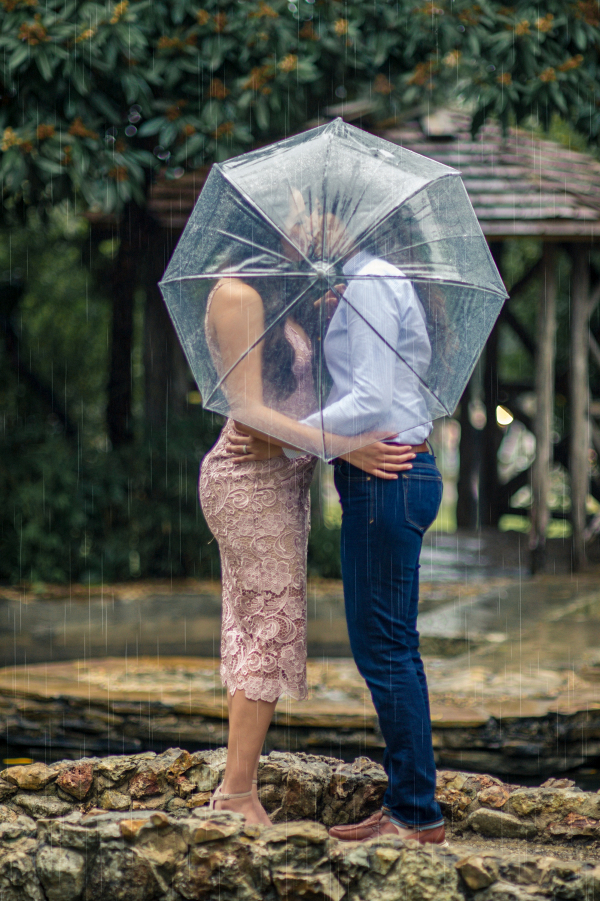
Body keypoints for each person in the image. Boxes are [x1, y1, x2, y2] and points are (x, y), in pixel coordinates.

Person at [199, 199, 414, 826]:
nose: (307, 231)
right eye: (293, 221)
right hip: (247, 480)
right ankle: (238, 792)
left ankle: (233, 787)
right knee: (267, 628)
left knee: (261, 626)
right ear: (260, 231)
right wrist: (348, 445)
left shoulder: (278, 299)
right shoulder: (237, 295)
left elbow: (297, 397)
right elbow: (245, 411)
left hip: (282, 479)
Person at [229, 241, 446, 844]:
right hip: (390, 478)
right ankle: (412, 806)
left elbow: (371, 403)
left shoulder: (373, 279)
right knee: (391, 648)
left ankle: (414, 813)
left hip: (387, 478)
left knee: (386, 652)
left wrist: (290, 441)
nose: (306, 225)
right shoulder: (365, 284)